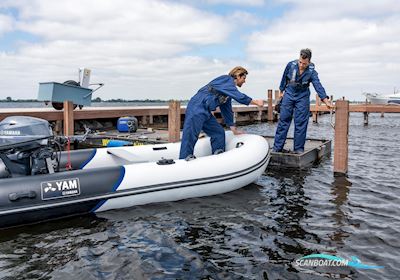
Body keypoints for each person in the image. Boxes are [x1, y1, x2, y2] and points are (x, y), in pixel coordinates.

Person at [179, 66, 264, 160]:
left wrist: (233, 129)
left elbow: (226, 109)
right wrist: (256, 102)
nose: (244, 81)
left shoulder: (228, 91)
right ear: (238, 76)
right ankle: (183, 160)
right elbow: (239, 97)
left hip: (206, 112)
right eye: (244, 78)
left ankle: (218, 156)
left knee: (218, 133)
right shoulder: (226, 80)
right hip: (196, 108)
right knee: (190, 135)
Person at [273, 48, 332, 153]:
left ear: (309, 62)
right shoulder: (290, 65)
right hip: (289, 93)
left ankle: (298, 150)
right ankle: (277, 148)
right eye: (300, 62)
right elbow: (284, 78)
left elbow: (318, 85)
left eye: (304, 64)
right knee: (284, 120)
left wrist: (325, 100)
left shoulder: (312, 72)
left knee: (300, 123)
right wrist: (281, 91)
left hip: (302, 96)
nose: (301, 65)